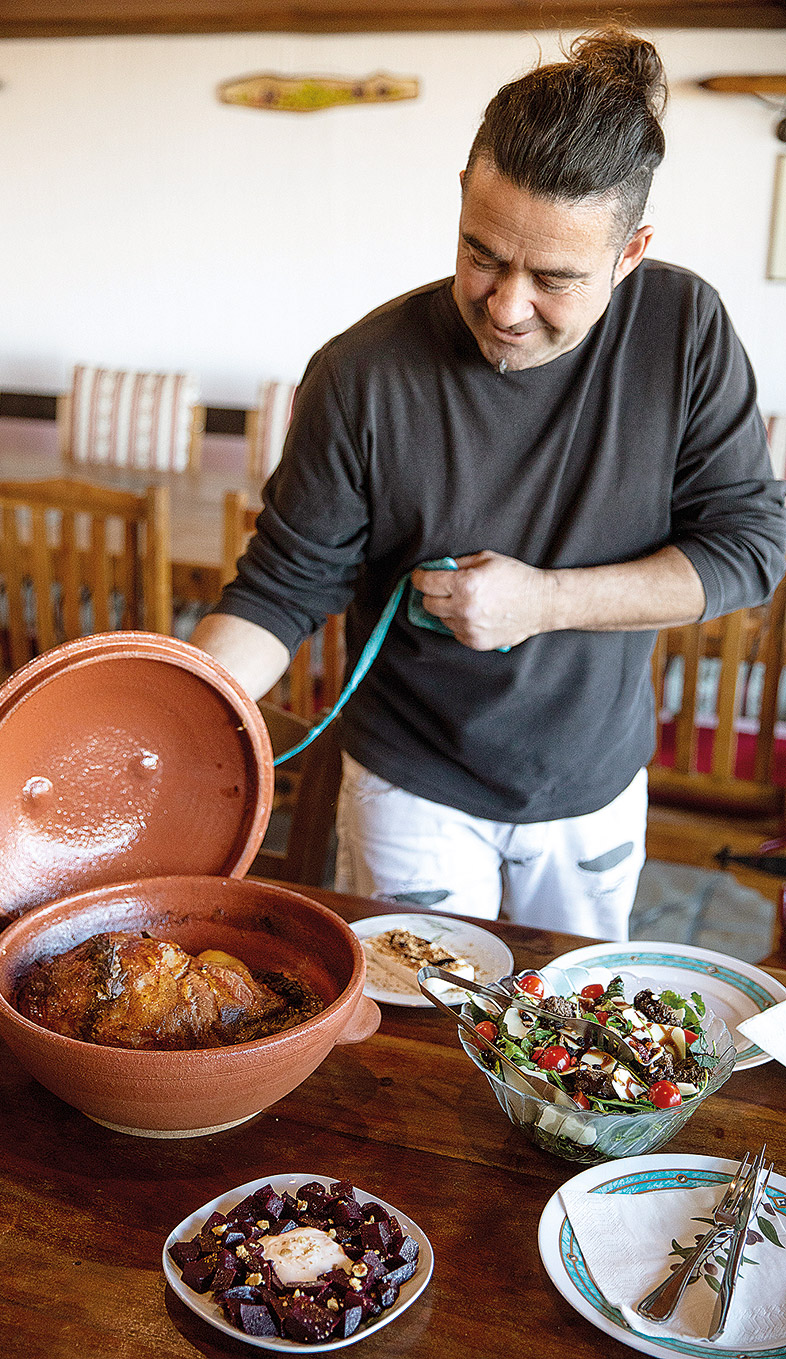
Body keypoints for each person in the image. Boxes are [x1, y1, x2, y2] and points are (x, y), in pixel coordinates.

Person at [191, 29, 786, 940]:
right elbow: (282, 588)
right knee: (416, 1053)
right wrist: (171, 715)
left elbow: (750, 548)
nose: (507, 308)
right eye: (483, 255)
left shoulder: (685, 328)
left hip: (591, 782)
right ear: (464, 198)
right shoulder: (361, 374)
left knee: (573, 1044)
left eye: (555, 279)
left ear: (630, 255)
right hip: (410, 783)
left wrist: (543, 600)